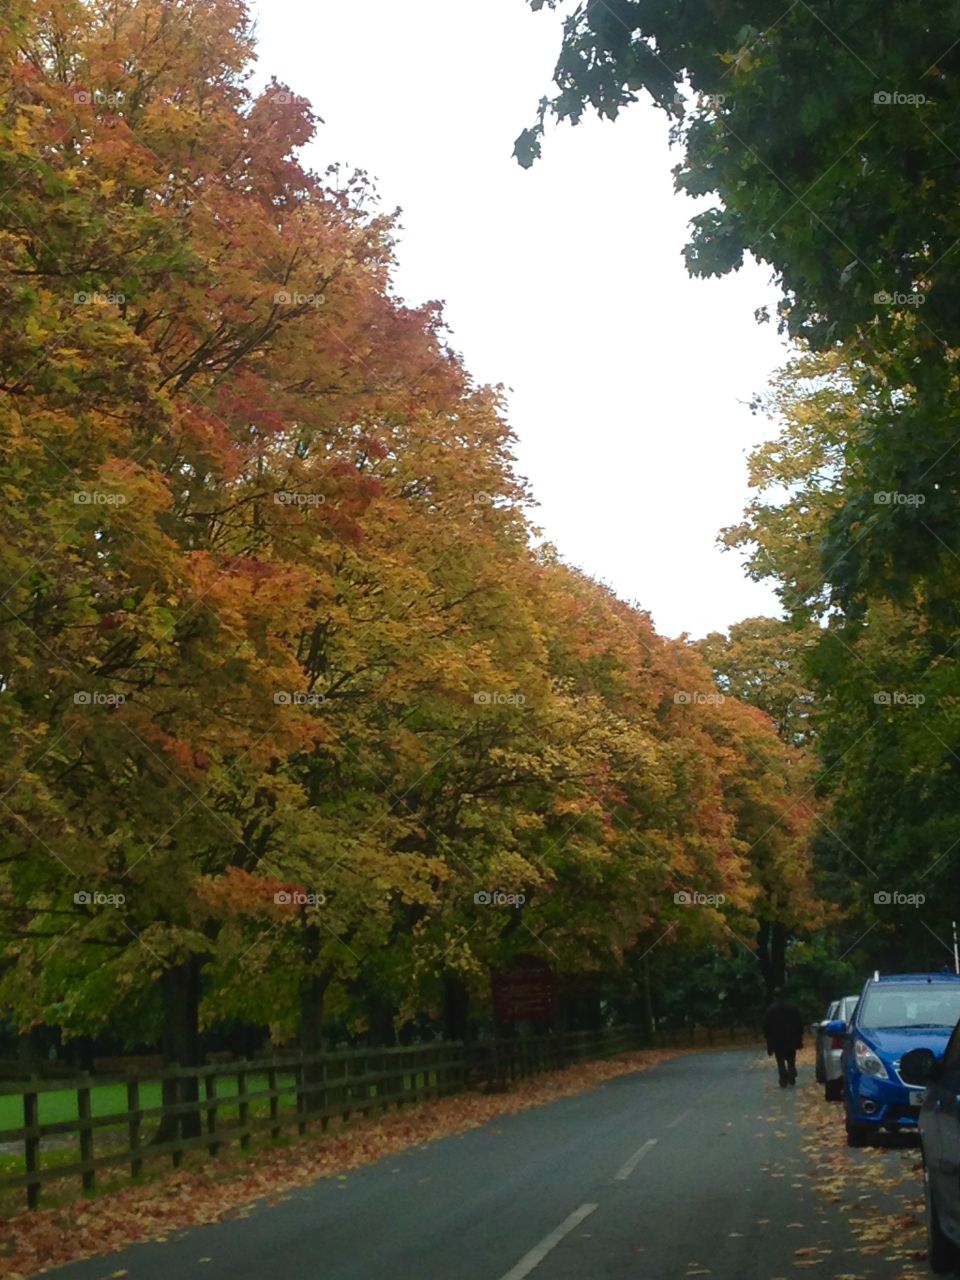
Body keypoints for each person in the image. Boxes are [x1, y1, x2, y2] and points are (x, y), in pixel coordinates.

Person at [764, 987, 804, 1087]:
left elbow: (767, 1027)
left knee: (780, 1060)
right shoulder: (792, 1008)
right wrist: (799, 1038)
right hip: (791, 1038)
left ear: (775, 996)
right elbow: (799, 1024)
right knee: (791, 1057)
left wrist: (769, 1042)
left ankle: (783, 1077)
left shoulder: (770, 1010)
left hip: (777, 1040)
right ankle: (791, 1071)